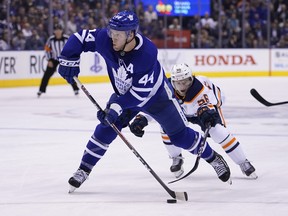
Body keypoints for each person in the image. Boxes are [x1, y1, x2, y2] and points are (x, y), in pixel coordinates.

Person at [58, 11, 231, 193]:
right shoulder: (105, 38)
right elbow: (80, 38)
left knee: (179, 136)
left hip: (158, 98)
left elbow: (139, 95)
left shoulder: (146, 53)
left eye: (118, 35)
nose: (112, 38)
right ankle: (83, 169)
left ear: (131, 34)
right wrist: (68, 59)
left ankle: (213, 158)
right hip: (125, 93)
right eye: (111, 33)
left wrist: (115, 107)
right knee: (106, 127)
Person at [129, 63, 257, 179]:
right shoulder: (165, 88)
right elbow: (157, 107)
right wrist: (142, 118)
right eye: (178, 83)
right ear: (173, 82)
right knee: (165, 127)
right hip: (181, 111)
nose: (182, 86)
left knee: (218, 132)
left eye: (185, 82)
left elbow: (214, 101)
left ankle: (243, 162)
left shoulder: (200, 87)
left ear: (191, 79)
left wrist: (207, 112)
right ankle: (176, 158)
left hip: (204, 109)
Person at [37, 24, 79, 97]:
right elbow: (47, 49)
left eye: (59, 30)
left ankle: (75, 89)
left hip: (65, 59)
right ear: (54, 31)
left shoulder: (66, 38)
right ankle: (41, 90)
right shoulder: (51, 39)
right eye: (56, 30)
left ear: (62, 31)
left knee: (69, 73)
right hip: (54, 59)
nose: (58, 31)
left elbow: (72, 48)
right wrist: (49, 60)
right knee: (47, 75)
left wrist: (70, 58)